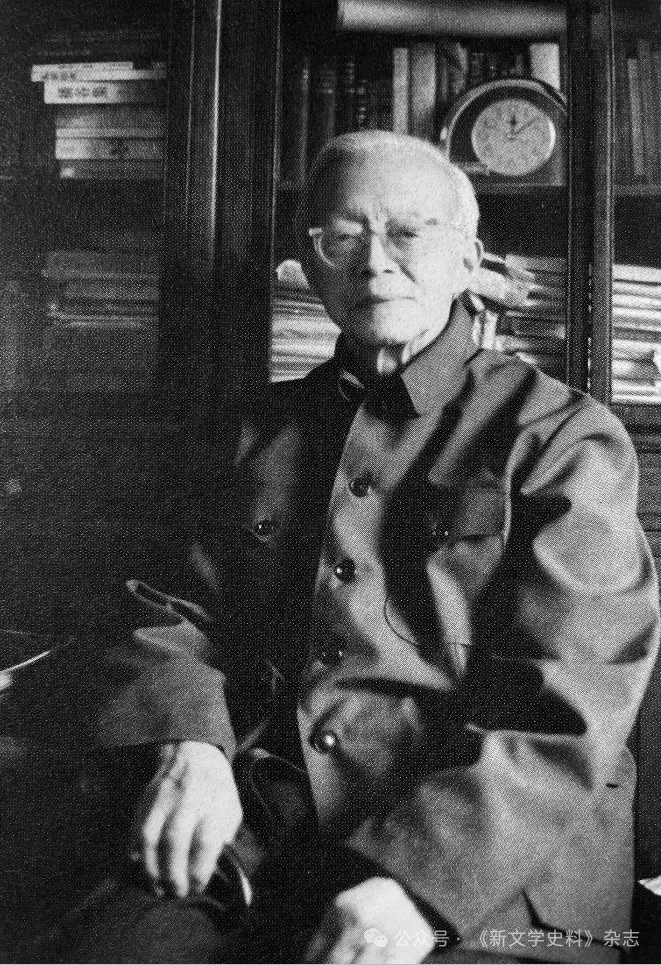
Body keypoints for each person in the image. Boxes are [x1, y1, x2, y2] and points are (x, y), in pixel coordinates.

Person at [60, 131, 660, 964]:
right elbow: (169, 607)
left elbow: (570, 696)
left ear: (466, 259)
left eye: (408, 232)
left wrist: (416, 883)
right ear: (309, 267)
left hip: (493, 867)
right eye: (342, 236)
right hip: (255, 837)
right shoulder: (252, 429)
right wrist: (187, 740)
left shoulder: (561, 435)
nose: (375, 263)